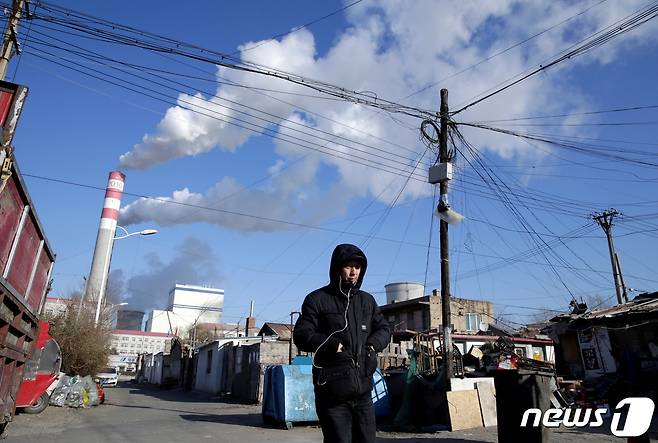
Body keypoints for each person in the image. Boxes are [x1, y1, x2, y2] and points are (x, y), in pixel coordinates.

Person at [293, 244, 391, 443]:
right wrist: (331, 344)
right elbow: (302, 335)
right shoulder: (317, 299)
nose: (353, 271)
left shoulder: (367, 301)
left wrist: (372, 346)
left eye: (357, 266)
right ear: (337, 268)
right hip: (332, 394)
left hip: (363, 391)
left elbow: (385, 329)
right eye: (348, 266)